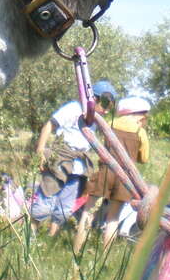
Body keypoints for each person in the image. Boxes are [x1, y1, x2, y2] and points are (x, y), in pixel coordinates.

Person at [30, 80, 116, 236]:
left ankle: (50, 236)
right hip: (60, 160)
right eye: (105, 104)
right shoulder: (73, 108)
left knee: (65, 206)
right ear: (93, 99)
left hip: (78, 167)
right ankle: (30, 233)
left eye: (110, 106)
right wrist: (41, 150)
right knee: (46, 198)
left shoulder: (96, 119)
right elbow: (49, 125)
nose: (106, 110)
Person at [74, 94, 150, 252]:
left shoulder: (110, 123)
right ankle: (104, 257)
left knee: (88, 214)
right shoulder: (140, 131)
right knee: (113, 218)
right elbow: (144, 158)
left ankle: (76, 250)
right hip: (125, 180)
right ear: (138, 114)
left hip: (104, 173)